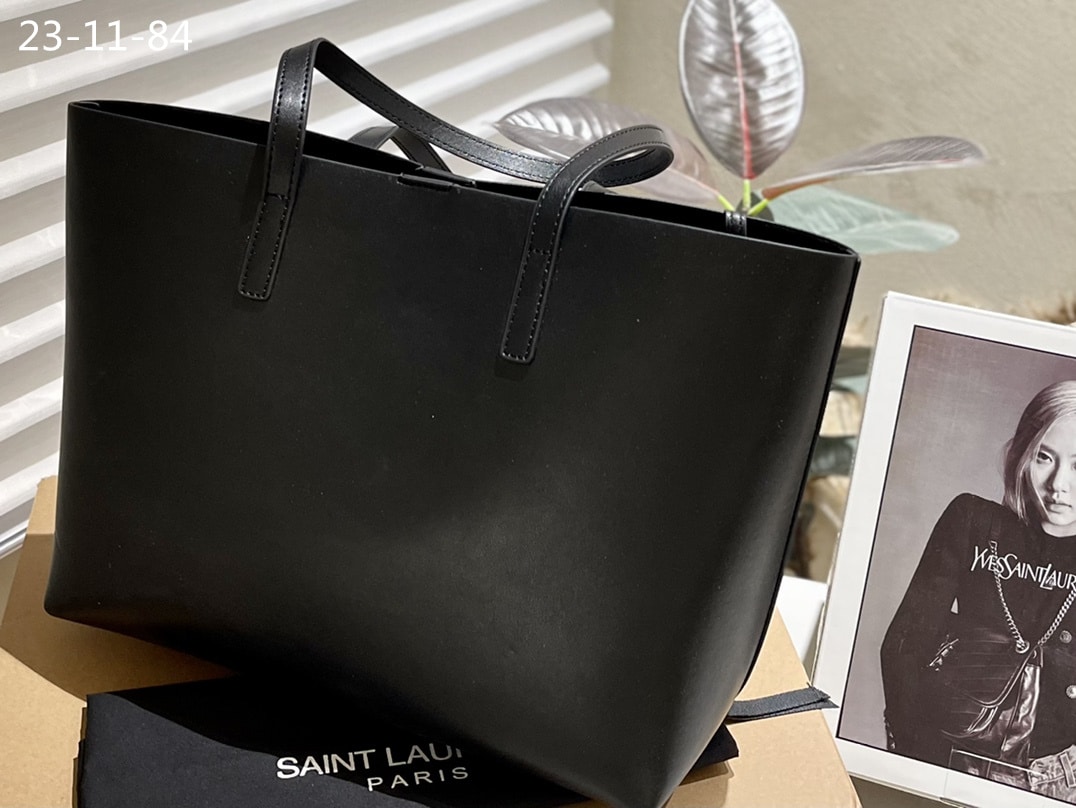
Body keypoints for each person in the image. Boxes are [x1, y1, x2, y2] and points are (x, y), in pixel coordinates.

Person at [881, 380, 1076, 798]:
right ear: (1022, 455)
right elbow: (903, 645)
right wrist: (917, 759)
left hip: (1060, 779)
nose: (1059, 484)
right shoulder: (973, 521)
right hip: (950, 755)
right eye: (1044, 457)